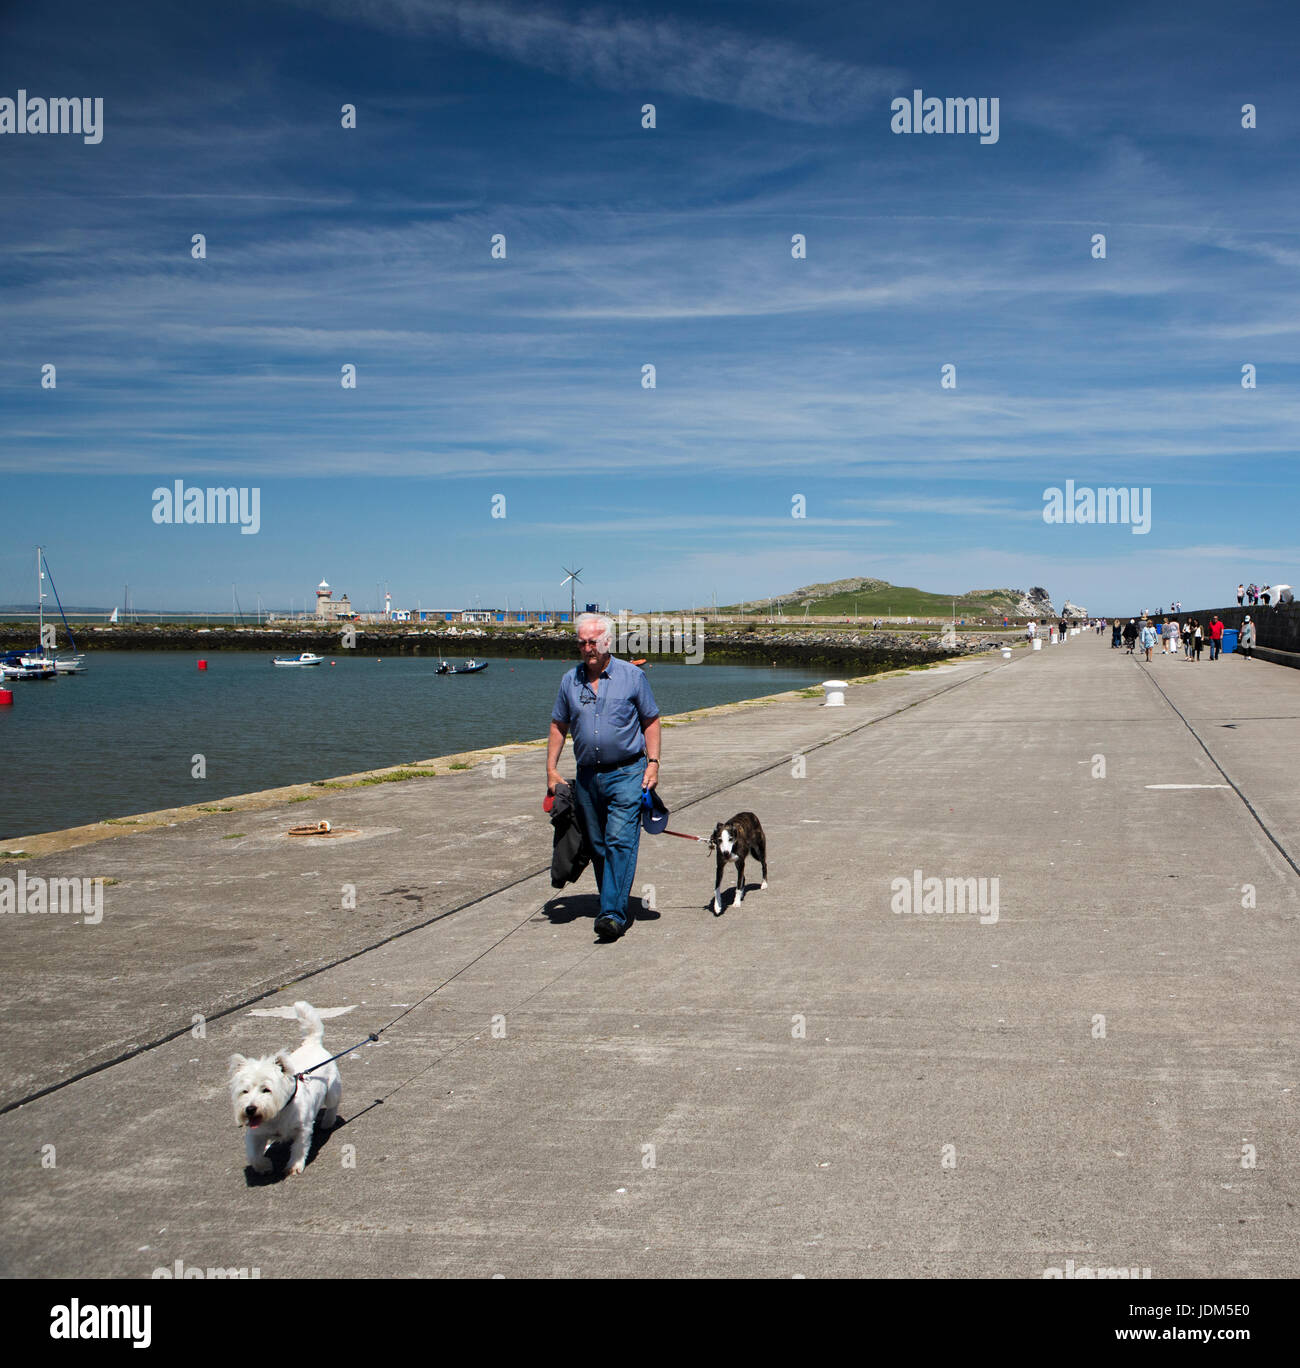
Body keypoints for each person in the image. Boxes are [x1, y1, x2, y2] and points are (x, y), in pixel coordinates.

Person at [547, 613, 661, 940]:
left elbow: (651, 720)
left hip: (627, 773)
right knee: (597, 845)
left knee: (619, 841)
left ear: (608, 642)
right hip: (587, 777)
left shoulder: (632, 677)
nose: (588, 648)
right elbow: (559, 724)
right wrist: (551, 769)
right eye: (582, 643)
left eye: (593, 642)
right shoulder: (570, 681)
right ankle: (610, 899)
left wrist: (653, 763)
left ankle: (612, 913)